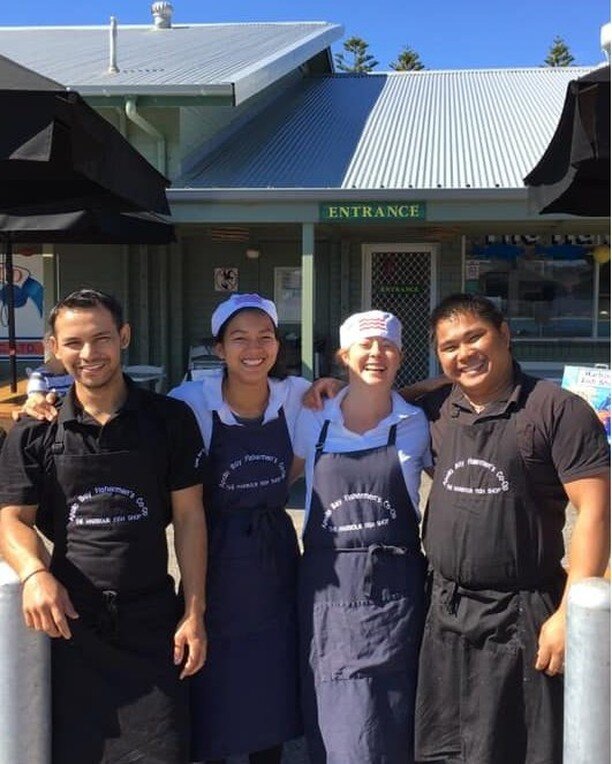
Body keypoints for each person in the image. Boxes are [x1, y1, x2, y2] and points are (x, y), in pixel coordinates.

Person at [0, 288, 207, 764]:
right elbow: (12, 519)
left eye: (102, 338)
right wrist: (35, 574)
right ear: (53, 347)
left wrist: (193, 612)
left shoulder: (169, 420)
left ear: (125, 337)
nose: (89, 354)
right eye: (73, 343)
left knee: (164, 750)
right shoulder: (35, 430)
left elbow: (191, 520)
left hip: (153, 622)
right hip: (71, 629)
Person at [412, 293, 610, 764]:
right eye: (449, 346)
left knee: (519, 748)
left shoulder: (557, 410)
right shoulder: (437, 405)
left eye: (475, 337)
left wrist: (570, 615)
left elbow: (597, 512)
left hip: (521, 615)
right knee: (445, 747)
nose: (464, 354)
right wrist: (327, 388)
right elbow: (375, 397)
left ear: (504, 333)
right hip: (444, 609)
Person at [169, 293, 310, 764]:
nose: (254, 348)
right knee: (215, 669)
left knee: (270, 670)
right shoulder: (191, 401)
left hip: (274, 553)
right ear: (218, 348)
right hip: (215, 551)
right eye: (239, 338)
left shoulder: (298, 394)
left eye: (264, 337)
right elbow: (132, 414)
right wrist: (48, 399)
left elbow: (368, 402)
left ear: (277, 344)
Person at [291, 310, 432, 763]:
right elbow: (271, 482)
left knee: (394, 714)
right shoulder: (312, 416)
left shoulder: (417, 423)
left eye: (388, 345)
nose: (377, 354)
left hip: (396, 592)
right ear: (344, 356)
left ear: (401, 356)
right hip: (328, 594)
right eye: (365, 345)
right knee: (339, 726)